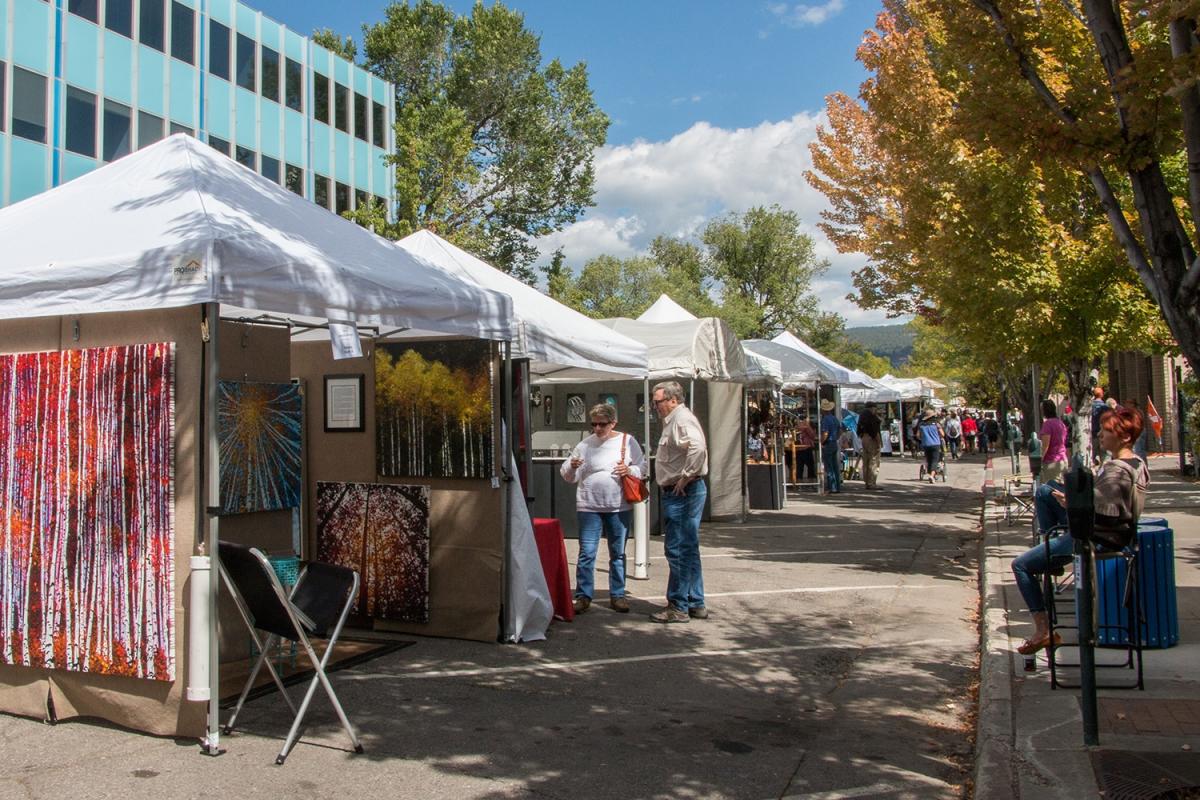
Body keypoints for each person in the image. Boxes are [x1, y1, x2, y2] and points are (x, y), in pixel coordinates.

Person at [1010, 406, 1150, 655]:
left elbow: (1106, 510)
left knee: (1020, 565)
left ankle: (1043, 630)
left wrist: (1072, 502)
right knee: (1045, 491)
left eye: (1105, 431)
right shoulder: (1136, 463)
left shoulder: (1117, 469)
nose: (1099, 435)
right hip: (1110, 533)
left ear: (1124, 437)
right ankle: (1050, 546)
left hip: (1096, 536)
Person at [561, 404, 646, 614]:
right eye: (594, 424)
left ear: (613, 423)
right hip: (589, 505)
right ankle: (583, 595)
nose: (597, 428)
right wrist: (572, 466)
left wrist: (630, 469)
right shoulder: (585, 445)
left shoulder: (627, 441)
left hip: (618, 506)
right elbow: (568, 476)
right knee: (587, 552)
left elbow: (643, 468)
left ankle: (618, 594)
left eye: (602, 424)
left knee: (617, 553)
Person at [649, 381, 709, 623]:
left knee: (678, 549)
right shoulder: (676, 419)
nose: (655, 406)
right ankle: (695, 602)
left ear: (672, 400)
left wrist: (686, 476)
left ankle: (679, 605)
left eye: (658, 401)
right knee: (687, 548)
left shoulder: (681, 419)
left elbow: (698, 447)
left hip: (682, 492)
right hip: (683, 490)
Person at [1038, 399, 1069, 485]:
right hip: (1062, 459)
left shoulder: (1048, 424)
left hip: (1051, 461)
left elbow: (1045, 445)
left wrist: (1039, 460)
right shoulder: (1060, 423)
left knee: (1051, 490)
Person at [857, 402, 883, 489]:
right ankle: (872, 483)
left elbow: (858, 430)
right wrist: (879, 443)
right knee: (874, 461)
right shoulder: (872, 417)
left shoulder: (862, 416)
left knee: (866, 461)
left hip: (864, 438)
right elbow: (875, 431)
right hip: (871, 439)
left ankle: (867, 482)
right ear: (872, 408)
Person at [819, 399, 842, 494]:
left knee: (829, 467)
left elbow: (825, 433)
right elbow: (840, 430)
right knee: (835, 466)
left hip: (828, 443)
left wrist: (821, 442)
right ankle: (837, 487)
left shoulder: (825, 420)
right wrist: (835, 438)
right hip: (834, 443)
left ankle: (832, 487)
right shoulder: (834, 418)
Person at [918, 407, 943, 482]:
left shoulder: (921, 425)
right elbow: (942, 434)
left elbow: (918, 435)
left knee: (928, 460)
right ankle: (931, 476)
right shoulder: (936, 424)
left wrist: (923, 438)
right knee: (935, 460)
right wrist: (938, 436)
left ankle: (930, 473)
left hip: (926, 444)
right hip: (935, 444)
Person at [794, 414, 817, 480]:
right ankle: (807, 482)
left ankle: (802, 482)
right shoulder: (803, 426)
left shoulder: (799, 426)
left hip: (802, 448)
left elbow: (812, 436)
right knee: (807, 466)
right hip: (803, 447)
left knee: (803, 467)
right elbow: (812, 436)